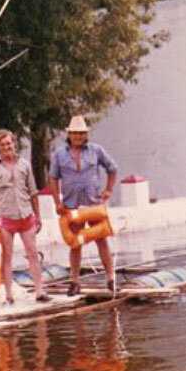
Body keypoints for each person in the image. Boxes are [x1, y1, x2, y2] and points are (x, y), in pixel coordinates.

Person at [48, 114, 118, 295]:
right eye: (75, 133)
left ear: (86, 134)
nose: (78, 136)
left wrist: (108, 190)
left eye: (81, 133)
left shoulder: (96, 150)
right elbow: (53, 178)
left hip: (93, 203)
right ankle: (75, 281)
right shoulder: (59, 154)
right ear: (69, 134)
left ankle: (111, 278)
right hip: (71, 205)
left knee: (101, 240)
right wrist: (57, 201)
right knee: (75, 243)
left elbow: (112, 168)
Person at [0, 128, 48, 304]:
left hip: (26, 215)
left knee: (32, 254)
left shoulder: (24, 164)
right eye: (3, 144)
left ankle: (39, 291)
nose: (6, 147)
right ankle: (8, 294)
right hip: (6, 218)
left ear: (14, 143)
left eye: (9, 143)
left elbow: (33, 192)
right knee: (7, 256)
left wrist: (38, 215)